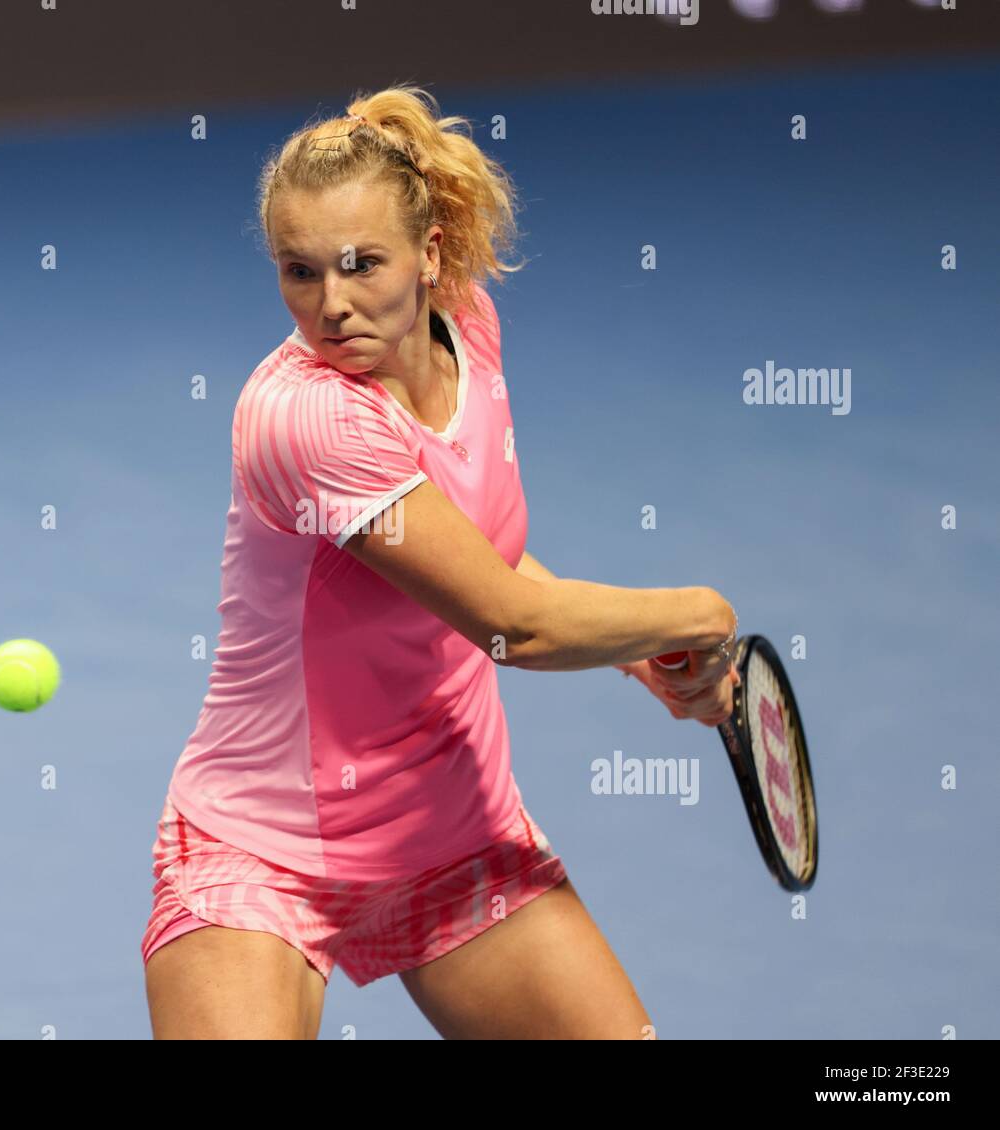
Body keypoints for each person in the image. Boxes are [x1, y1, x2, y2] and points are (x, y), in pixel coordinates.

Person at [141, 84, 739, 1039]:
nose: (330, 307)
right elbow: (514, 622)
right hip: (268, 846)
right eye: (299, 273)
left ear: (431, 258)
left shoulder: (473, 328)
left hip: (453, 834)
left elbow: (481, 562)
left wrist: (633, 653)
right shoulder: (305, 416)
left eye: (360, 265)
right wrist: (694, 614)